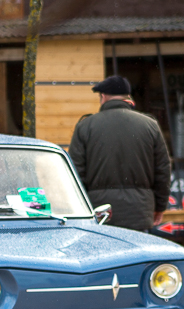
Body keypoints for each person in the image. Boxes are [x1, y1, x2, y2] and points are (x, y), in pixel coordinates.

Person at [68, 75, 170, 232]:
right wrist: (160, 206)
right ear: (127, 96)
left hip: (100, 212)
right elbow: (162, 170)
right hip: (139, 211)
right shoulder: (150, 125)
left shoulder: (85, 126)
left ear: (103, 97)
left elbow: (75, 173)